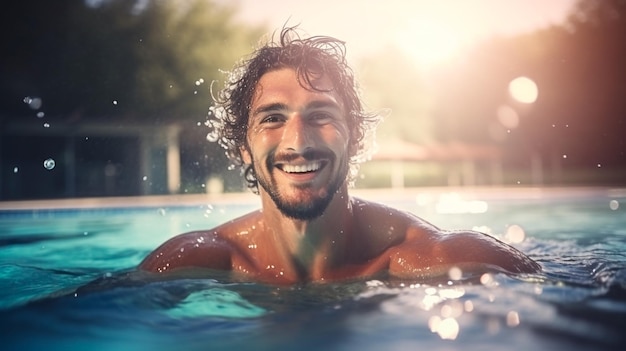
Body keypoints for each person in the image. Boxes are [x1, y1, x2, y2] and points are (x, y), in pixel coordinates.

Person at [139, 27, 541, 284]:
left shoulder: (438, 258)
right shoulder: (195, 261)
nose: (298, 142)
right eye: (273, 118)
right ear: (244, 148)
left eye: (321, 115)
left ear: (356, 137)